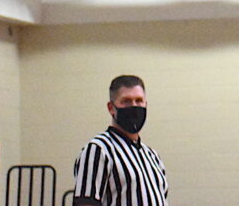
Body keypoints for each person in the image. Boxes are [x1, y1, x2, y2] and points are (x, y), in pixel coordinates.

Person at [72, 75, 168, 206]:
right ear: (111, 108)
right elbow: (85, 203)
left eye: (139, 101)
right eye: (126, 101)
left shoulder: (152, 156)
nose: (134, 106)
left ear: (146, 104)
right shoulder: (98, 149)